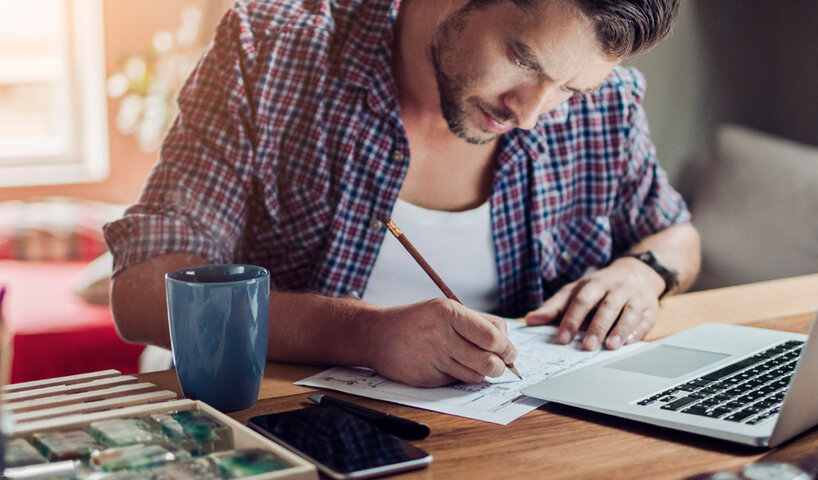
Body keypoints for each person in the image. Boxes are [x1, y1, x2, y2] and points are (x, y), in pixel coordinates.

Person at [105, 0, 701, 388]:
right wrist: (363, 334)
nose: (530, 114)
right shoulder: (269, 52)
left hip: (508, 443)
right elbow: (141, 292)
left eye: (569, 89)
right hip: (277, 430)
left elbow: (676, 234)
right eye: (523, 59)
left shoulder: (609, 103)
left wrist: (642, 273)